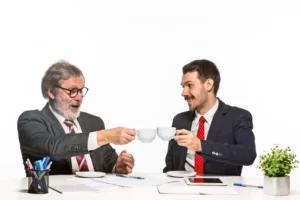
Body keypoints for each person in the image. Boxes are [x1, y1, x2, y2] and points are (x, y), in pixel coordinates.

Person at [18, 60, 136, 176]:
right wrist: (104, 136)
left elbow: (107, 162)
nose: (79, 97)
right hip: (56, 194)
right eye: (73, 91)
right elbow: (51, 148)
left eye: (81, 90)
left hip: (98, 193)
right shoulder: (31, 120)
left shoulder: (94, 122)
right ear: (51, 92)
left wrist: (117, 167)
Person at [163, 59, 256, 176]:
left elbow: (247, 154)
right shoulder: (180, 120)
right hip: (183, 189)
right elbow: (171, 167)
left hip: (222, 191)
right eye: (183, 87)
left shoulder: (238, 117)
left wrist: (200, 146)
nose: (184, 93)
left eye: (190, 85)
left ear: (209, 85)